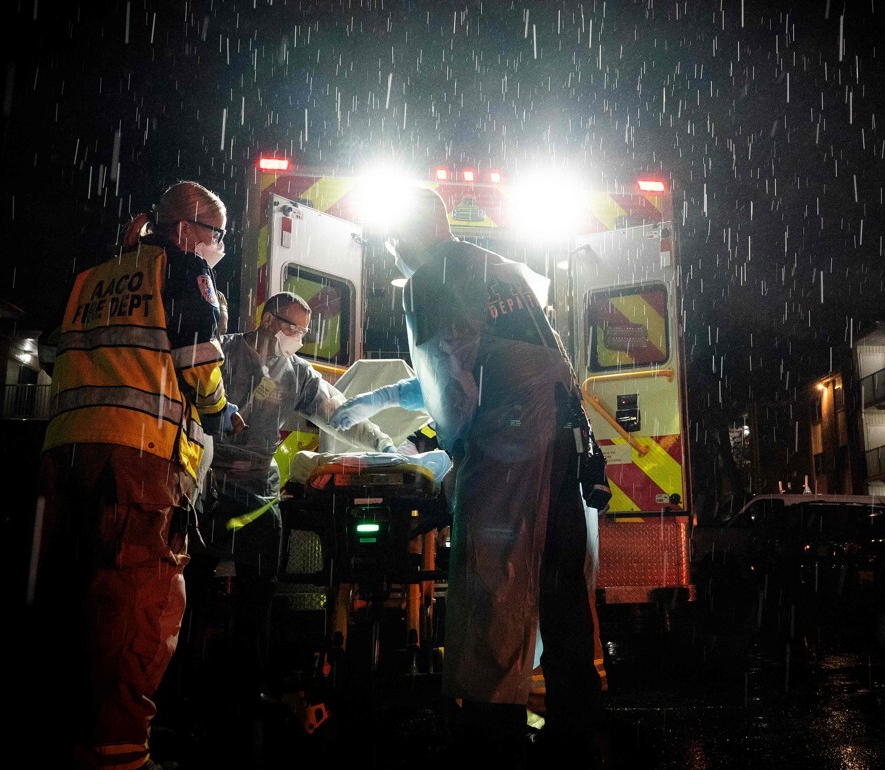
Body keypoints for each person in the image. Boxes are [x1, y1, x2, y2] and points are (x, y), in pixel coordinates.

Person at [332, 186, 605, 767]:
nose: (394, 252)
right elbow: (471, 364)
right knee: (561, 587)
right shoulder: (500, 268)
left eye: (393, 242)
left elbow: (452, 386)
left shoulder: (431, 276)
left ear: (411, 234)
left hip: (509, 444)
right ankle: (578, 726)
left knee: (492, 582)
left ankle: (490, 732)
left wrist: (459, 461)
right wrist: (372, 401)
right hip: (561, 434)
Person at [30, 180, 237, 770]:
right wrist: (220, 411)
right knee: (137, 607)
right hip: (138, 464)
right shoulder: (182, 270)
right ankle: (119, 754)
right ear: (184, 230)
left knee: (69, 598)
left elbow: (52, 355)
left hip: (64, 456)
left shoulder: (93, 275)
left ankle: (65, 736)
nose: (217, 247)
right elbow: (200, 361)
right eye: (215, 234)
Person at [183, 290, 400, 744]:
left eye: (304, 331)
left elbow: (340, 413)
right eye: (293, 328)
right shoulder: (222, 355)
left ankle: (248, 689)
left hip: (259, 495)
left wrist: (386, 447)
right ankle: (184, 687)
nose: (299, 338)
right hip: (210, 490)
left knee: (257, 598)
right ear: (268, 321)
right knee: (191, 590)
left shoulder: (296, 374)